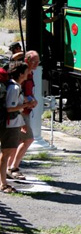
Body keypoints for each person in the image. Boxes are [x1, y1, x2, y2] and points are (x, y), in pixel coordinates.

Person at [7, 51, 40, 180]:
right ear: (27, 60)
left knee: (19, 141)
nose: (37, 64)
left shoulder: (30, 74)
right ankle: (12, 168)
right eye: (34, 61)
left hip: (24, 111)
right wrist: (27, 101)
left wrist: (33, 99)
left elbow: (27, 92)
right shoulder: (22, 73)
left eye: (38, 62)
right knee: (28, 139)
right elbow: (17, 94)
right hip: (20, 111)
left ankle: (9, 167)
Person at [2, 62, 31, 193]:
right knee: (5, 154)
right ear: (20, 74)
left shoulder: (14, 86)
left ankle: (3, 182)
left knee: (6, 153)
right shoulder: (14, 88)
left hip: (12, 123)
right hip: (10, 125)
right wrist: (25, 105)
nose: (28, 74)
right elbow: (9, 108)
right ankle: (3, 184)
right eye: (26, 72)